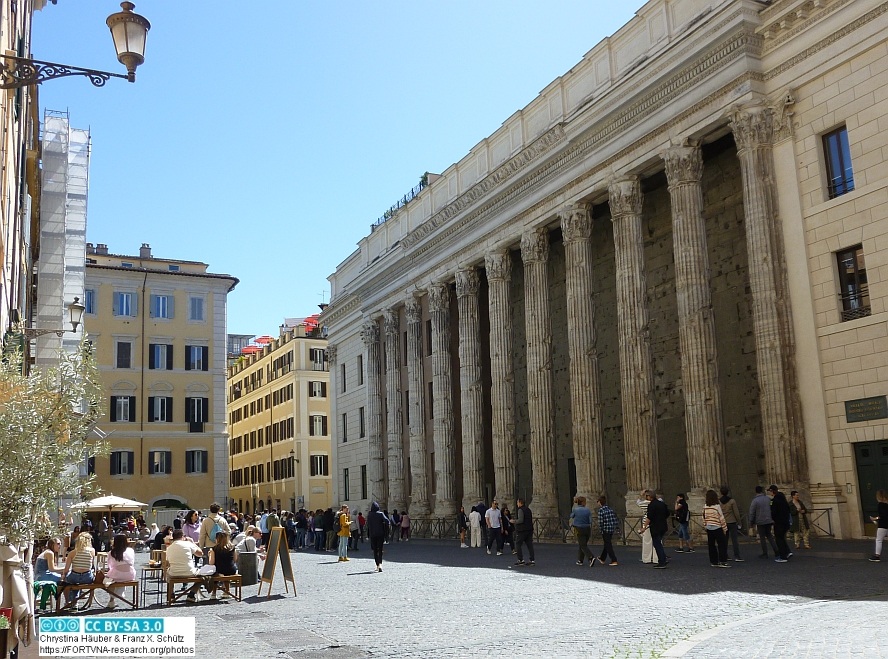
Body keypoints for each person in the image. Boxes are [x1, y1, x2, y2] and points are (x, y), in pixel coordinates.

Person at [166, 529, 205, 603]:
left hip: (174, 573)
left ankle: (171, 594)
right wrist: (193, 543)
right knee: (203, 575)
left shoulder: (169, 548)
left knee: (168, 573)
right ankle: (191, 594)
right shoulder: (188, 544)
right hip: (189, 572)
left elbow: (168, 562)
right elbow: (200, 554)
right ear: (183, 536)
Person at [62, 532, 96, 605]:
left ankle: (69, 602)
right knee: (78, 581)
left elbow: (66, 569)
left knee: (67, 582)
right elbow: (91, 565)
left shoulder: (72, 553)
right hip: (87, 577)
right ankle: (83, 601)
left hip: (75, 576)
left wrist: (64, 575)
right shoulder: (92, 551)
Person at [105, 533, 136, 609]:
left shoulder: (111, 552)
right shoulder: (130, 550)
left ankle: (112, 599)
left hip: (116, 574)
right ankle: (119, 595)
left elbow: (110, 566)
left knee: (107, 580)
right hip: (130, 574)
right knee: (121, 577)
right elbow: (132, 562)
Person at [748, 485, 779, 559]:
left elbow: (752, 512)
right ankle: (776, 551)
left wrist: (751, 522)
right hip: (768, 520)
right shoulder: (768, 499)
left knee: (762, 537)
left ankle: (765, 553)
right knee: (770, 536)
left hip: (760, 521)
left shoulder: (755, 501)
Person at [702, 490, 730, 568]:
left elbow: (703, 517)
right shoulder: (717, 506)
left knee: (711, 545)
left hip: (709, 527)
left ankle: (714, 561)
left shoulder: (705, 506)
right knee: (721, 545)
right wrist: (725, 528)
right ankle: (723, 561)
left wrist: (705, 525)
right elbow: (721, 518)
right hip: (717, 527)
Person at [641, 490, 669, 568]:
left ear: (649, 496)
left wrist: (644, 527)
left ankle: (662, 561)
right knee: (659, 543)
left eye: (647, 496)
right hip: (663, 526)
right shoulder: (662, 504)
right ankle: (663, 559)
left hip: (655, 527)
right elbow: (667, 513)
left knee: (657, 544)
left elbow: (649, 518)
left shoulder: (651, 505)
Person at [207, 531, 238, 599]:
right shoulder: (232, 547)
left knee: (215, 573)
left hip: (219, 570)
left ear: (217, 539)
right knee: (226, 571)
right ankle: (227, 591)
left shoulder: (214, 549)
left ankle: (214, 593)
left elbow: (211, 563)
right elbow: (235, 559)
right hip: (231, 569)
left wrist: (209, 555)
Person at [767, 485, 792, 563]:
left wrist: (772, 519)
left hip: (778, 523)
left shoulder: (774, 501)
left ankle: (783, 556)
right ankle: (787, 552)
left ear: (772, 491)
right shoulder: (783, 499)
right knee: (782, 537)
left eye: (770, 491)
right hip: (785, 522)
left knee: (779, 539)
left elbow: (773, 512)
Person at [719, 486, 743, 561]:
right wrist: (739, 522)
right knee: (734, 540)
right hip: (732, 521)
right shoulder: (732, 501)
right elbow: (736, 512)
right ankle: (737, 556)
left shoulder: (719, 502)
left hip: (723, 522)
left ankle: (725, 555)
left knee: (724, 540)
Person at [569, 496, 594, 566]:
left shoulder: (575, 510)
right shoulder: (588, 510)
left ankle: (591, 557)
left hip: (579, 528)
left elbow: (571, 516)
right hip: (587, 528)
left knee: (582, 545)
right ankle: (580, 560)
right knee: (582, 544)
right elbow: (590, 521)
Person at [366, 501, 390, 572]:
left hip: (372, 534)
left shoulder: (369, 515)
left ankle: (377, 565)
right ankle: (380, 564)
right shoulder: (380, 514)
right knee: (380, 549)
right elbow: (387, 521)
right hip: (380, 534)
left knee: (375, 550)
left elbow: (368, 525)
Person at [596, 496, 619, 566]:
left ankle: (614, 559)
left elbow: (600, 522)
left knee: (608, 545)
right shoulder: (610, 509)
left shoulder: (601, 510)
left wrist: (601, 530)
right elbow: (614, 519)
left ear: (599, 502)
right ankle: (602, 558)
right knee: (607, 543)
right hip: (611, 528)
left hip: (605, 529)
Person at [513, 498, 535, 567]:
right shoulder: (528, 509)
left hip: (522, 530)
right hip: (529, 529)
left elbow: (520, 520)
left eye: (517, 502)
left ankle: (520, 559)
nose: (517, 504)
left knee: (518, 544)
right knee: (529, 545)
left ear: (520, 503)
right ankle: (532, 560)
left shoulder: (520, 510)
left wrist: (514, 521)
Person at [869, 490, 888, 561]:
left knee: (879, 540)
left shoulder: (880, 505)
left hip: (882, 525)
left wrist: (875, 518)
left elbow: (882, 516)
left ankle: (877, 555)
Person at [636, 493, 654, 564]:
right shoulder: (655, 503)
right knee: (655, 541)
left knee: (646, 541)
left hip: (645, 523)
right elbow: (661, 500)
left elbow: (638, 501)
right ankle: (655, 558)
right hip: (655, 523)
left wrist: (641, 494)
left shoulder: (643, 504)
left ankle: (647, 558)